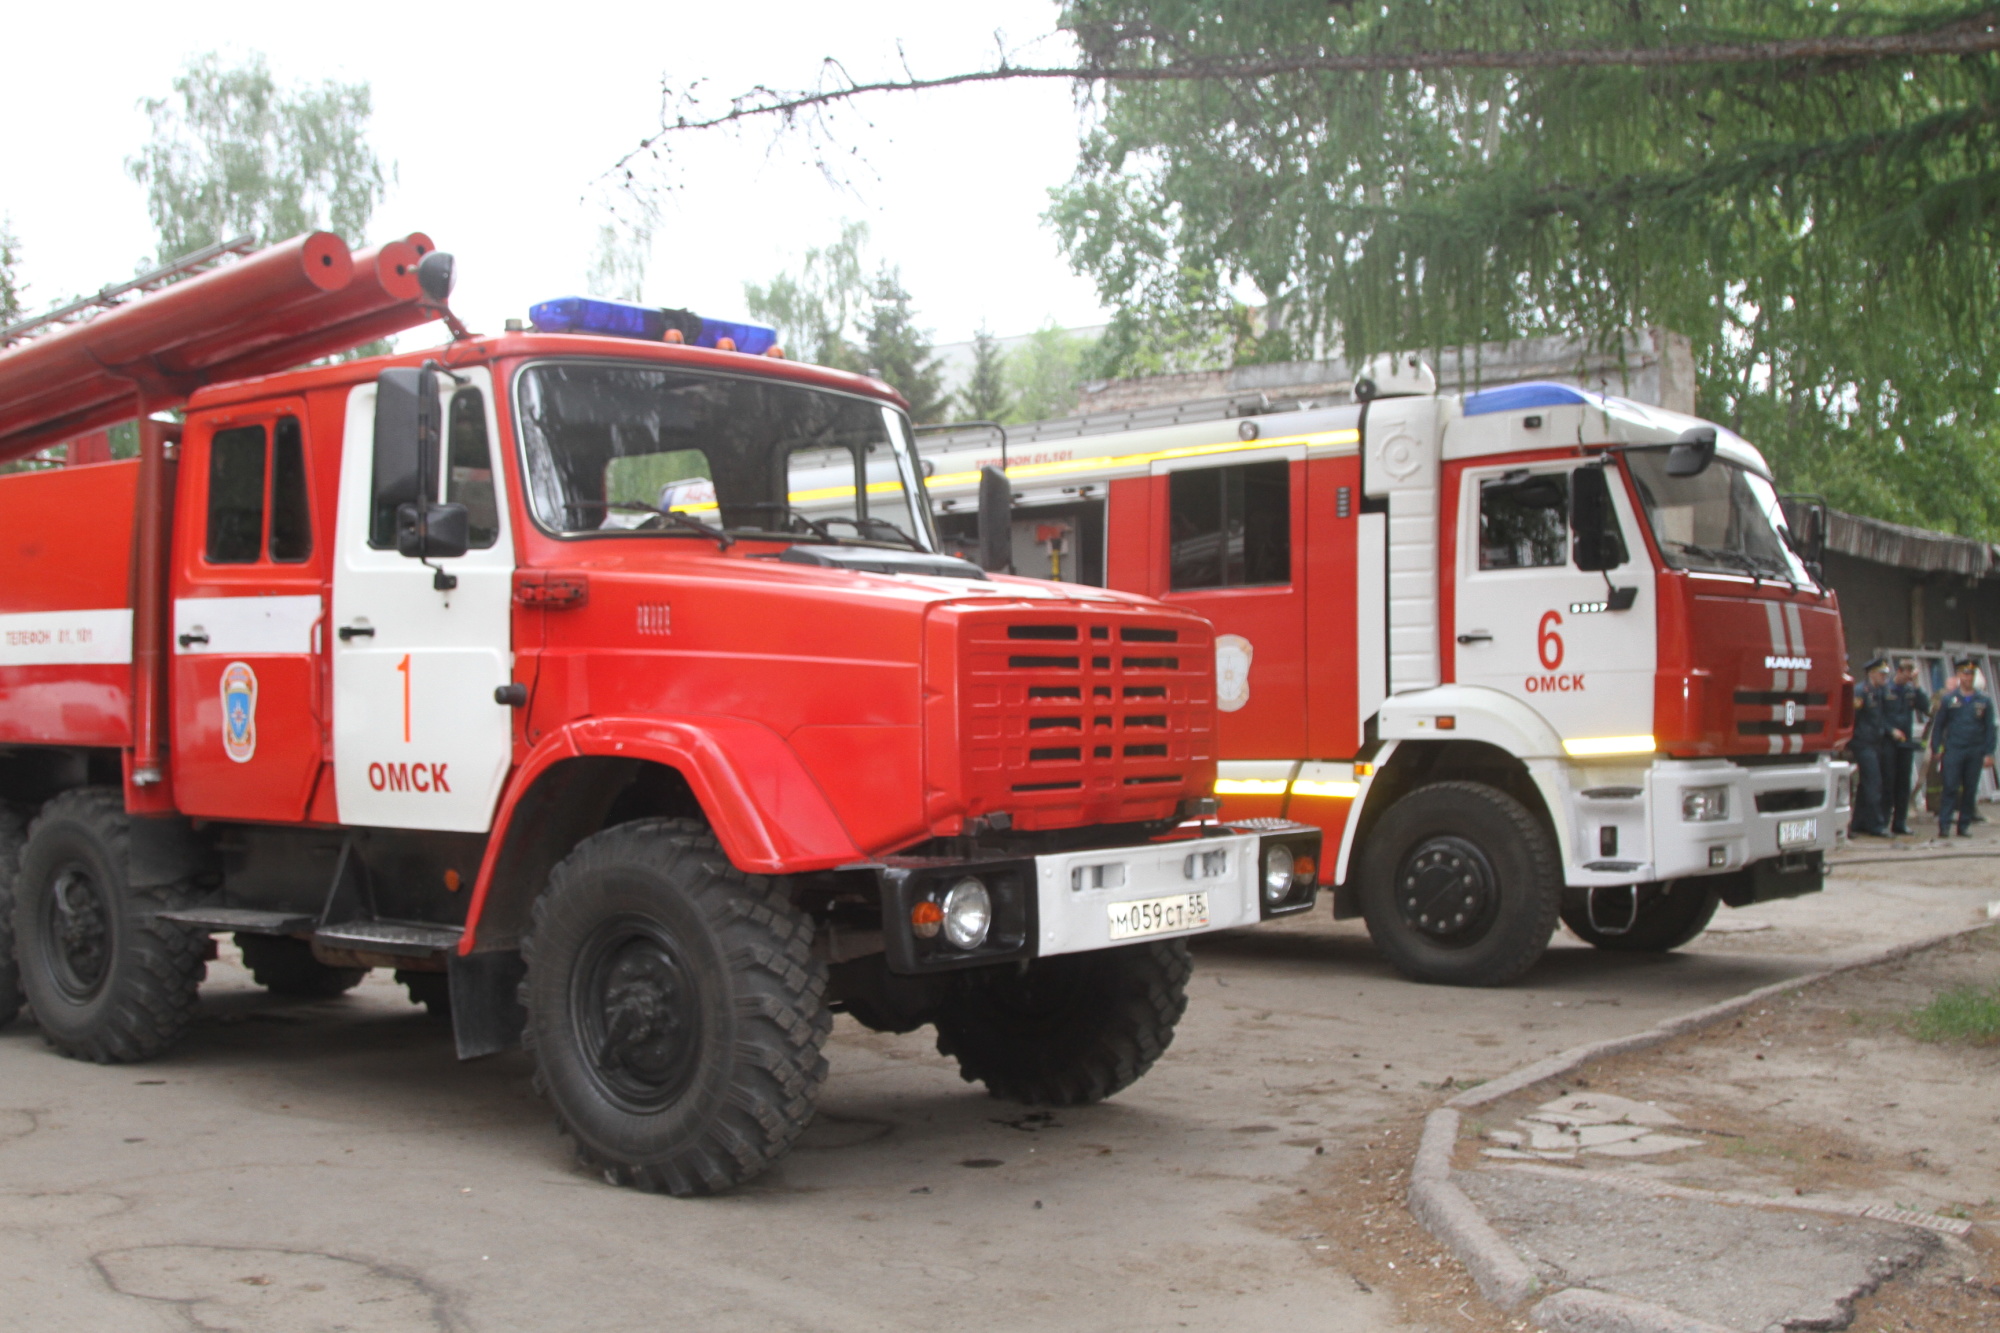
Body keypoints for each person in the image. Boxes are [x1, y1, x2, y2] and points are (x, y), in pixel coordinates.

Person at [1928, 657, 1997, 838]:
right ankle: (1944, 825)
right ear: (1959, 675)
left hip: (1975, 750)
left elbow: (1990, 728)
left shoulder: (1984, 700)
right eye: (1965, 674)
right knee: (1950, 787)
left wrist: (1989, 752)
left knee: (1970, 789)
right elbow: (1939, 725)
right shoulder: (1950, 699)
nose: (1968, 678)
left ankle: (1964, 825)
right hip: (1954, 749)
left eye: (1971, 674)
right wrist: (1937, 748)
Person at [1881, 658, 1931, 836]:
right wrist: (1890, 730)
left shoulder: (1911, 691)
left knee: (1903, 785)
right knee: (1888, 783)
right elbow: (1878, 717)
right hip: (1889, 743)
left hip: (1906, 744)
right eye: (1906, 672)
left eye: (1912, 672)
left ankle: (1900, 822)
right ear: (1899, 671)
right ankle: (1883, 822)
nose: (1909, 676)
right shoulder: (1886, 689)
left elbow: (1926, 708)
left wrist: (1917, 685)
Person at [1848, 658, 1892, 837]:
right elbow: (1852, 718)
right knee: (1874, 784)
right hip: (1863, 743)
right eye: (1882, 674)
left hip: (1876, 742)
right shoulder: (1861, 691)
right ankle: (1876, 824)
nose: (1884, 677)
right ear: (1871, 673)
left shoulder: (1880, 692)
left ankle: (1859, 822)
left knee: (1867, 785)